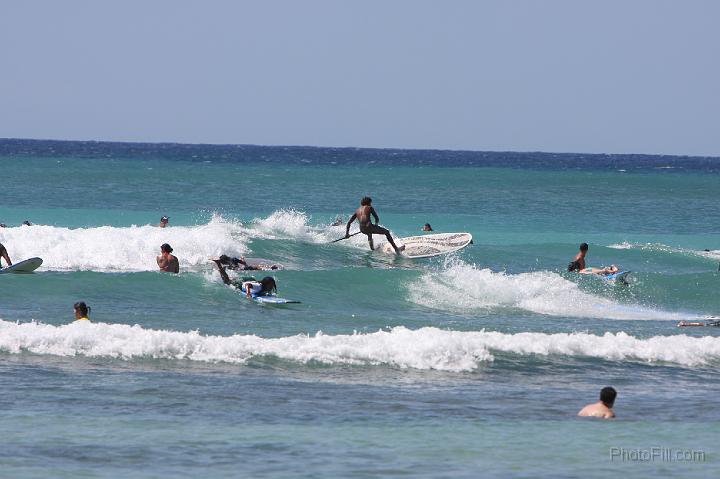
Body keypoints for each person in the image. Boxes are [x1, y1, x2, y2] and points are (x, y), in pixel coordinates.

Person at [212, 259, 277, 297]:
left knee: (232, 279)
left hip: (249, 280)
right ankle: (219, 265)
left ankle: (227, 273)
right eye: (270, 285)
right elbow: (248, 285)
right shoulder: (258, 287)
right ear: (265, 284)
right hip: (241, 283)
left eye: (272, 285)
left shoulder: (263, 287)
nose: (271, 287)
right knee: (227, 281)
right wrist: (248, 293)